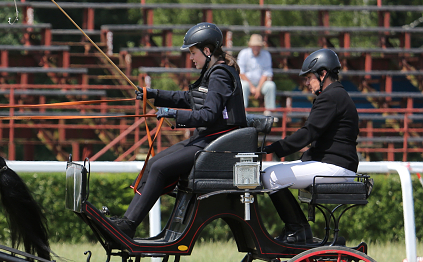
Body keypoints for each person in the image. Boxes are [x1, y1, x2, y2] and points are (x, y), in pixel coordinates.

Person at [109, 23, 248, 238]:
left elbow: (209, 116)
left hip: (217, 143)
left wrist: (174, 115)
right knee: (154, 163)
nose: (191, 57)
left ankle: (128, 226)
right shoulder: (211, 72)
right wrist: (154, 94)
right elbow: (189, 99)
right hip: (207, 139)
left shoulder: (219, 75)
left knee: (160, 168)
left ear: (207, 51)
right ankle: (127, 222)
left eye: (193, 52)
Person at [262, 48, 359, 243]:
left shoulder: (330, 97)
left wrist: (273, 148)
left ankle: (297, 230)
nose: (306, 83)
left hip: (336, 168)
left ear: (323, 74)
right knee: (271, 174)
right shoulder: (337, 95)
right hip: (337, 165)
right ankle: (298, 229)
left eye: (308, 78)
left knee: (270, 177)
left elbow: (308, 133)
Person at [237, 34, 276, 114]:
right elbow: (241, 72)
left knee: (271, 86)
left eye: (258, 46)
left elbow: (266, 73)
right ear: (250, 46)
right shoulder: (243, 54)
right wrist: (252, 87)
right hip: (246, 83)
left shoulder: (266, 55)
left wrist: (258, 88)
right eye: (254, 45)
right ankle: (242, 112)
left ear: (261, 46)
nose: (256, 48)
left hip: (261, 84)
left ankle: (270, 114)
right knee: (243, 86)